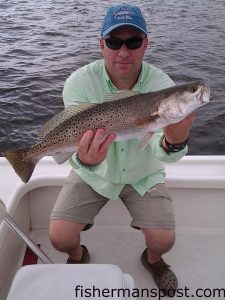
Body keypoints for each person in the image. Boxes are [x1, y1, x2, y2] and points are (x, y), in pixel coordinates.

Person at [49, 3, 194, 293]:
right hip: (93, 172)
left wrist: (174, 140)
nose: (123, 51)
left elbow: (158, 147)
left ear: (145, 44)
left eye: (133, 42)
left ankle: (153, 260)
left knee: (163, 241)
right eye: (114, 42)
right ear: (101, 44)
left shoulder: (161, 84)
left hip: (143, 172)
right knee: (60, 239)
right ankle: (79, 257)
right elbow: (72, 139)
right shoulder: (78, 82)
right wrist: (87, 162)